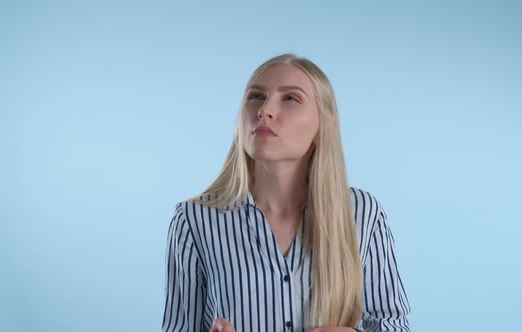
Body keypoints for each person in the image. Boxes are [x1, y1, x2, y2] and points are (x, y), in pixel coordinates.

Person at [162, 53, 411, 332]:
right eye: (255, 96)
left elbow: (393, 324)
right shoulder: (195, 220)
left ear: (323, 128)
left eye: (290, 98)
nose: (264, 110)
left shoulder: (363, 214)